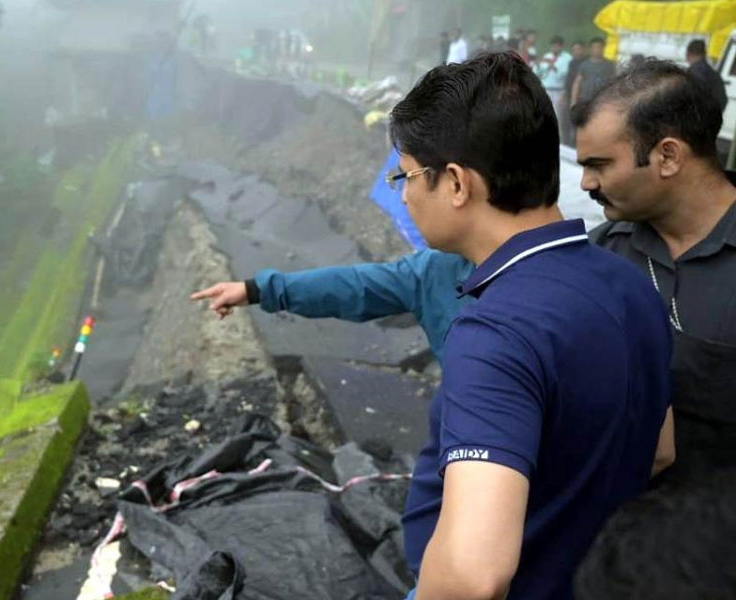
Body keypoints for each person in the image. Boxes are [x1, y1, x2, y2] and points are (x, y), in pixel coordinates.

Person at [193, 52, 673, 600]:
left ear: (456, 183)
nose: (401, 194)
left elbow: (473, 575)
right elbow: (661, 452)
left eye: (406, 174)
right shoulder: (634, 285)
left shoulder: (493, 333)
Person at [572, 59, 736, 598]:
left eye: (600, 164)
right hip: (612, 561)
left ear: (667, 155)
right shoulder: (600, 256)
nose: (586, 182)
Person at [685, 38, 728, 116]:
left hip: (698, 119)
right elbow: (723, 100)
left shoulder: (694, 72)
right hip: (712, 118)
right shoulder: (714, 74)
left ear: (688, 54)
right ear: (704, 54)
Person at [537, 35, 572, 126]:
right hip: (546, 89)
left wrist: (554, 67)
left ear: (561, 46)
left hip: (559, 90)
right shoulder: (546, 56)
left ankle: (558, 139)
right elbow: (541, 73)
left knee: (557, 116)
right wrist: (538, 65)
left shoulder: (567, 58)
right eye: (553, 46)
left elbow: (564, 74)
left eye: (557, 46)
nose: (555, 48)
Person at [570, 37, 616, 107]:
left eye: (600, 47)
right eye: (595, 47)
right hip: (586, 99)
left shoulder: (610, 65)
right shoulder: (584, 65)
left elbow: (614, 82)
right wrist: (573, 100)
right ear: (590, 49)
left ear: (604, 48)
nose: (597, 50)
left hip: (603, 100)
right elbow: (577, 83)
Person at [561, 40, 587, 145]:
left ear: (583, 50)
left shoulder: (586, 63)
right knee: (566, 120)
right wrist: (565, 93)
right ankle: (566, 143)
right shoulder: (571, 62)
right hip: (568, 94)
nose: (577, 51)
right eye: (574, 49)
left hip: (581, 96)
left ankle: (577, 143)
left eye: (579, 49)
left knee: (579, 121)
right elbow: (569, 79)